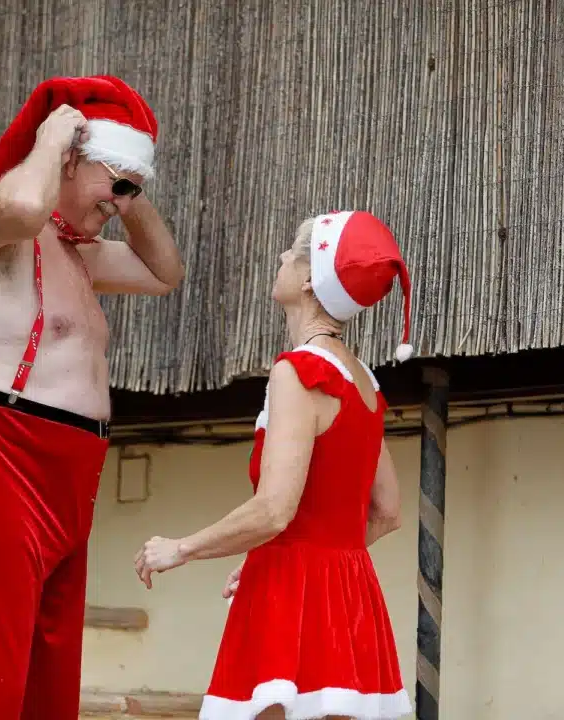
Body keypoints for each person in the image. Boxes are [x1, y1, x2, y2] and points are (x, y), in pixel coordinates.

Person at [0, 75, 183, 720]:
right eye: (110, 184)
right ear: (65, 157)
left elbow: (164, 272)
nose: (116, 203)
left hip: (71, 464)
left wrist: (125, 188)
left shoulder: (79, 253)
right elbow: (23, 208)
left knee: (50, 654)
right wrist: (51, 138)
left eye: (129, 187)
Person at [134, 210, 414, 720]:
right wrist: (282, 555)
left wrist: (181, 548)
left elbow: (274, 510)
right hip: (351, 595)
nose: (282, 257)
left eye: (291, 251)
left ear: (309, 278)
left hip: (293, 602)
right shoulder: (366, 385)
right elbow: (388, 510)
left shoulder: (299, 372)